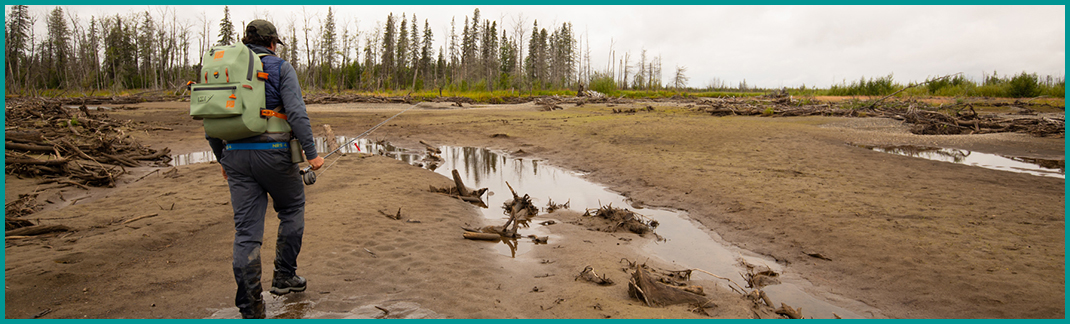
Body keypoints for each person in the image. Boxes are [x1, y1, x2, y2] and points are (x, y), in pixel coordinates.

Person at [206, 19, 325, 319]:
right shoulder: (281, 68)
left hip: (234, 156)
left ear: (246, 41)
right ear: (272, 43)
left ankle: (250, 305)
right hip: (273, 155)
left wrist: (222, 158)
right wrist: (312, 155)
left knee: (246, 233)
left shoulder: (228, 68)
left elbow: (211, 120)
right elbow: (296, 113)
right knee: (293, 207)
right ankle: (284, 276)